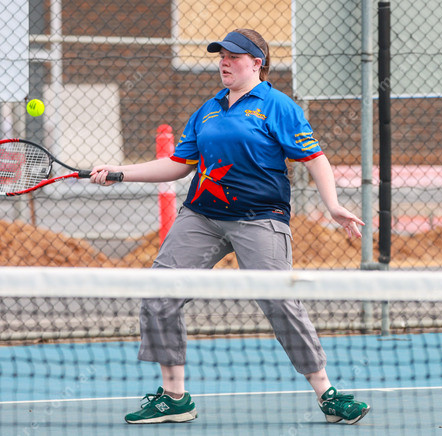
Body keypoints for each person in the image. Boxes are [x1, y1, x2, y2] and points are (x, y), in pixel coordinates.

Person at [90, 28, 370, 425]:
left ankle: (327, 394)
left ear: (257, 63)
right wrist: (120, 172)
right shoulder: (207, 110)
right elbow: (178, 164)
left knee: (278, 300)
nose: (224, 62)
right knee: (159, 294)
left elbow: (314, 158)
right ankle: (174, 397)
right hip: (202, 216)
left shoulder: (278, 106)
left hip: (261, 217)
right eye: (221, 55)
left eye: (234, 57)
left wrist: (334, 205)